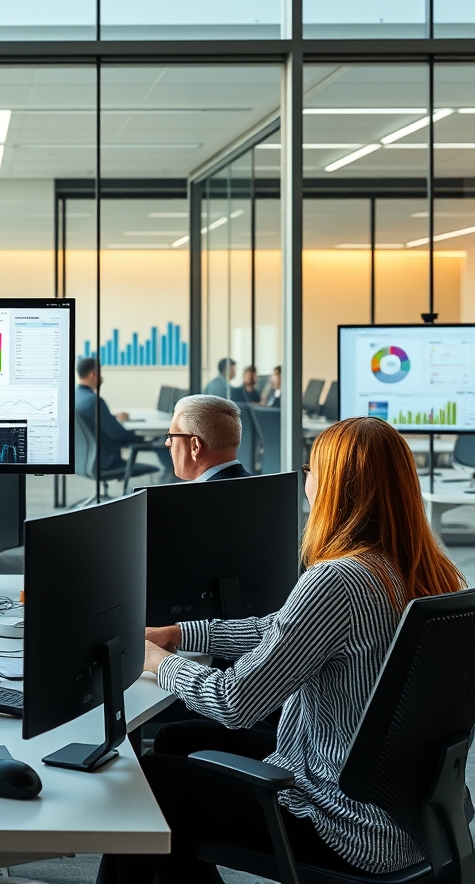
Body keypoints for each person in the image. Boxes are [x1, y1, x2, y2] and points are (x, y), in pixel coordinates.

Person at [100, 417, 466, 884]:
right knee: (177, 741)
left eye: (311, 470)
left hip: (345, 824)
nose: (307, 481)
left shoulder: (338, 580)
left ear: (336, 486)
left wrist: (158, 662)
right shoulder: (426, 571)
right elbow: (283, 631)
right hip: (412, 816)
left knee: (151, 784)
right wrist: (181, 634)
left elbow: (235, 703)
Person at [165, 394, 248, 481]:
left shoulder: (189, 494)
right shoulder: (261, 487)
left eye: (171, 437)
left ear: (195, 446)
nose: (167, 443)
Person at [75, 357, 132, 474]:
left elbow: (91, 423)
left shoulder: (75, 397)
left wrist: (113, 418)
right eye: (100, 372)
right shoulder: (94, 401)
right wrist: (145, 439)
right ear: (93, 374)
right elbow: (118, 434)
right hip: (105, 461)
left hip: (82, 459)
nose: (102, 377)